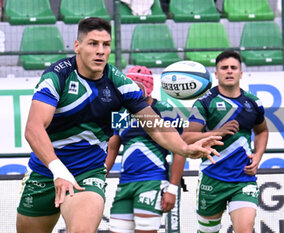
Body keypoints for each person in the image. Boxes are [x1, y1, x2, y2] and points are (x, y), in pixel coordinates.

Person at [16, 17, 223, 233]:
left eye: (106, 45)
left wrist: (185, 148)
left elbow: (156, 126)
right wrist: (58, 170)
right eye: (93, 43)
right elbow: (33, 128)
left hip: (87, 173)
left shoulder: (119, 83)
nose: (100, 51)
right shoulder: (58, 75)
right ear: (77, 46)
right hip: (45, 172)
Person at [182, 50, 269, 233]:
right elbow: (187, 137)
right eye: (224, 68)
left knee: (245, 229)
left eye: (233, 67)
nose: (229, 71)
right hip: (212, 177)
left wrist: (258, 156)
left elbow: (262, 131)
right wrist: (217, 132)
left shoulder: (253, 103)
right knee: (208, 231)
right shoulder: (205, 103)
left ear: (240, 73)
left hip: (243, 178)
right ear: (216, 73)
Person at [106, 65, 186, 233]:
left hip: (152, 181)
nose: (132, 90)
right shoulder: (121, 112)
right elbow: (112, 148)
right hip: (125, 182)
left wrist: (172, 189)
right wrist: (99, 177)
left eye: (138, 86)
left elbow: (179, 150)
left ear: (148, 87)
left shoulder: (167, 111)